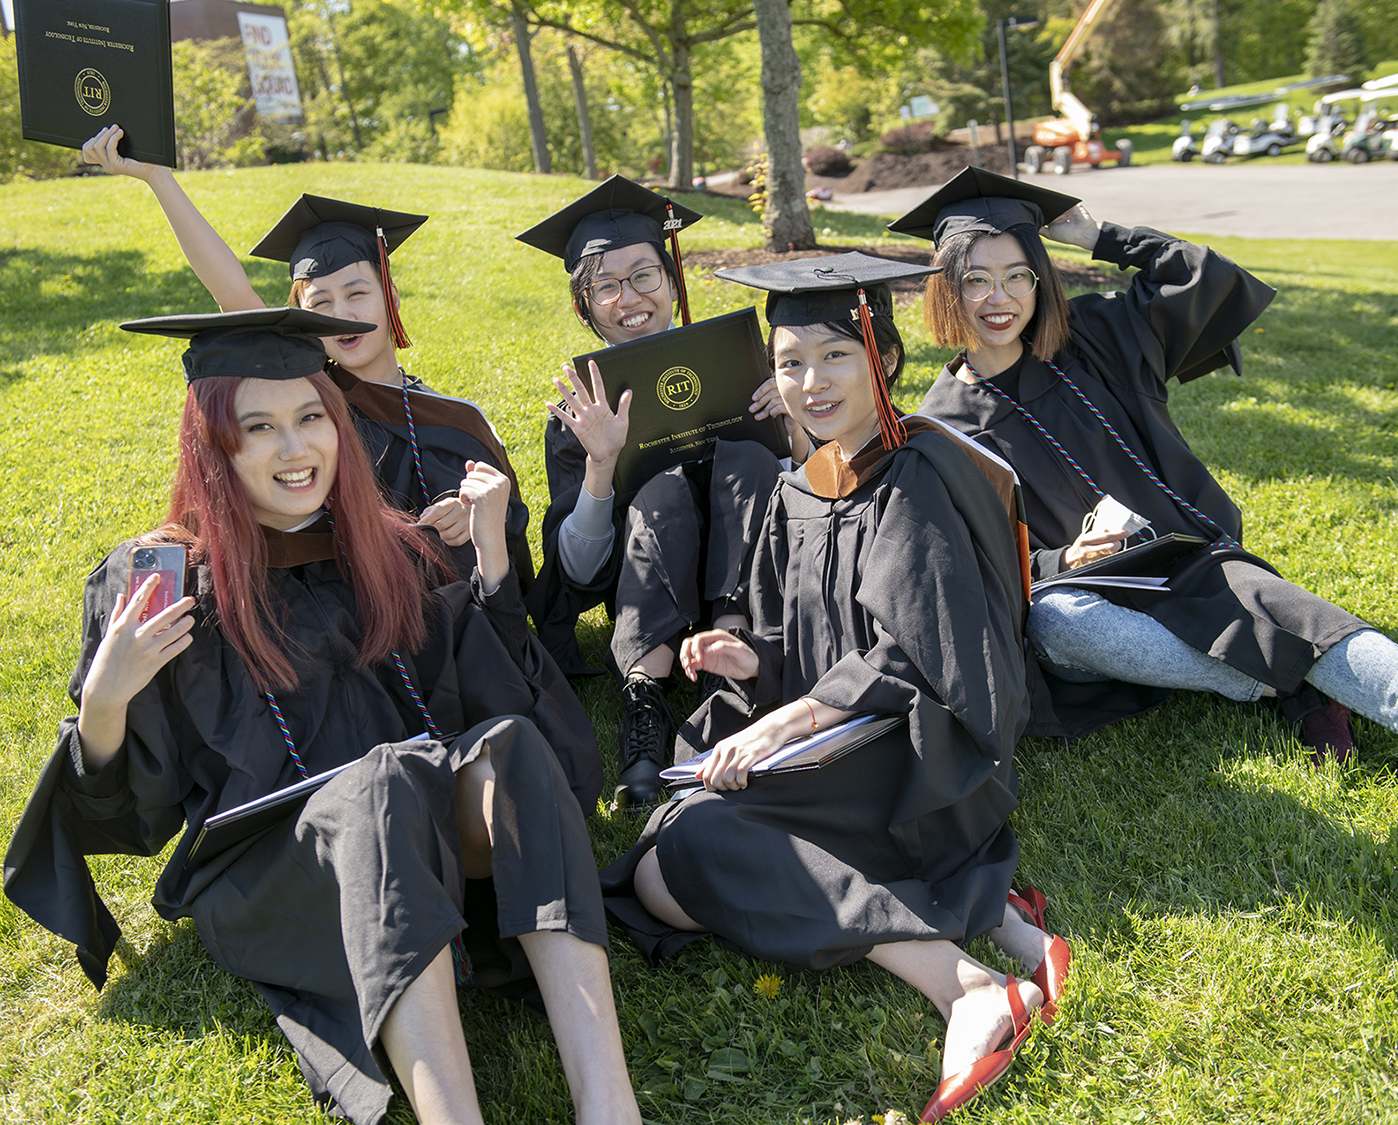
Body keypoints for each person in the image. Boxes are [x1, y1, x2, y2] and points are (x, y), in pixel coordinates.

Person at [2, 309, 631, 1125]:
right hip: (273, 871)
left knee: (504, 746)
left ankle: (610, 1103)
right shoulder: (162, 581)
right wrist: (106, 697)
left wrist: (493, 564)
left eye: (311, 418)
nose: (296, 450)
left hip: (414, 835)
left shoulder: (391, 548)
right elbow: (132, 808)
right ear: (213, 445)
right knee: (381, 780)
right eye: (258, 427)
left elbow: (489, 695)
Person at [598, 255, 1070, 1123]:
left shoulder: (921, 476)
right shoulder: (799, 485)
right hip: (842, 739)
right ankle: (973, 907)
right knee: (668, 855)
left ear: (881, 357)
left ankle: (966, 985)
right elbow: (788, 638)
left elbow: (929, 655)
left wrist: (796, 717)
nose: (809, 382)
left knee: (687, 850)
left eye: (833, 355)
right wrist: (749, 660)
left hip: (923, 752)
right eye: (788, 362)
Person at [898, 167, 1398, 788]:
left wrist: (1102, 237)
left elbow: (1203, 277)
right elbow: (979, 566)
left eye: (1017, 276)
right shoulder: (942, 425)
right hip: (1093, 598)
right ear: (947, 291)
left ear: (1039, 281)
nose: (1000, 298)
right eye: (976, 280)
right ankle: (1289, 681)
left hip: (1189, 559)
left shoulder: (1097, 339)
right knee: (1057, 620)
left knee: (1302, 618)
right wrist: (1063, 562)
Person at [79, 124, 533, 584]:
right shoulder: (302, 399)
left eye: (357, 293)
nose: (342, 315)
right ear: (300, 314)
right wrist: (158, 177)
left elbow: (507, 523)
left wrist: (470, 511)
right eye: (320, 303)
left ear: (390, 296)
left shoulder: (452, 417)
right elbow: (231, 288)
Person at [517, 176, 803, 811]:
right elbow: (580, 571)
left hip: (751, 568)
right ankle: (645, 704)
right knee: (662, 495)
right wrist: (600, 464)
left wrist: (795, 424)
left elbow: (811, 507)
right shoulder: (578, 410)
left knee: (750, 460)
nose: (630, 299)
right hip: (644, 577)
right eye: (606, 287)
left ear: (673, 279)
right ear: (583, 307)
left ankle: (735, 667)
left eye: (645, 276)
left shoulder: (757, 370)